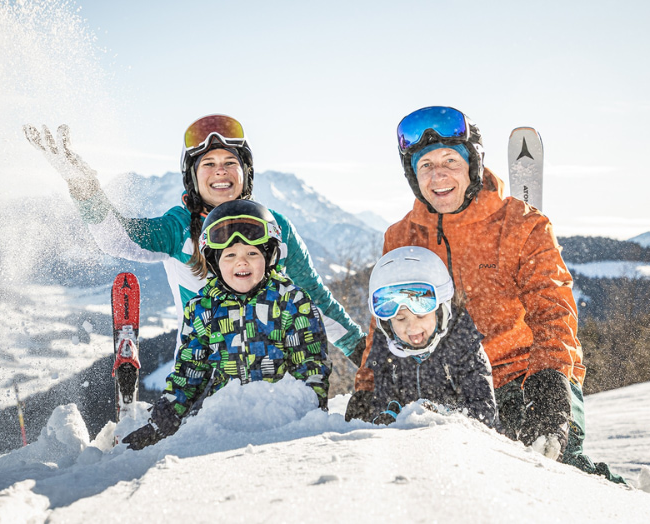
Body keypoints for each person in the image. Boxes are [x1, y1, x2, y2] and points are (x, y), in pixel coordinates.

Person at [354, 105, 624, 483]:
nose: (440, 174)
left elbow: (553, 309)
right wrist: (368, 385)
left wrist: (550, 381)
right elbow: (383, 317)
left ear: (473, 163)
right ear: (413, 176)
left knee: (556, 472)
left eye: (451, 159)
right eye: (426, 165)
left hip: (525, 373)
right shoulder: (402, 237)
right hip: (449, 384)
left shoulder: (523, 225)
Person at [23, 116, 366, 364]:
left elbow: (318, 301)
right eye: (209, 163)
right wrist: (84, 188)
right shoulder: (178, 228)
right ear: (192, 177)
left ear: (245, 174)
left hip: (275, 381)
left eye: (231, 162)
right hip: (202, 381)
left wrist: (365, 354)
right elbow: (117, 239)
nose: (220, 170)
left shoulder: (276, 228)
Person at [122, 200, 332, 449]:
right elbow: (189, 372)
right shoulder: (203, 309)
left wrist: (305, 417)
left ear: (268, 256)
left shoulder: (291, 302)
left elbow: (311, 367)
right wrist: (162, 421)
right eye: (230, 255)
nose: (241, 263)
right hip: (225, 422)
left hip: (282, 420)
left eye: (252, 253)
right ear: (214, 262)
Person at [345, 246, 496, 428]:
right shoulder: (386, 352)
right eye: (400, 319)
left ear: (441, 312)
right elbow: (383, 399)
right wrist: (379, 416)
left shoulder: (463, 346)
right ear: (387, 324)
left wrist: (439, 417)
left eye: (421, 316)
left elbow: (484, 413)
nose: (412, 327)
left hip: (458, 448)